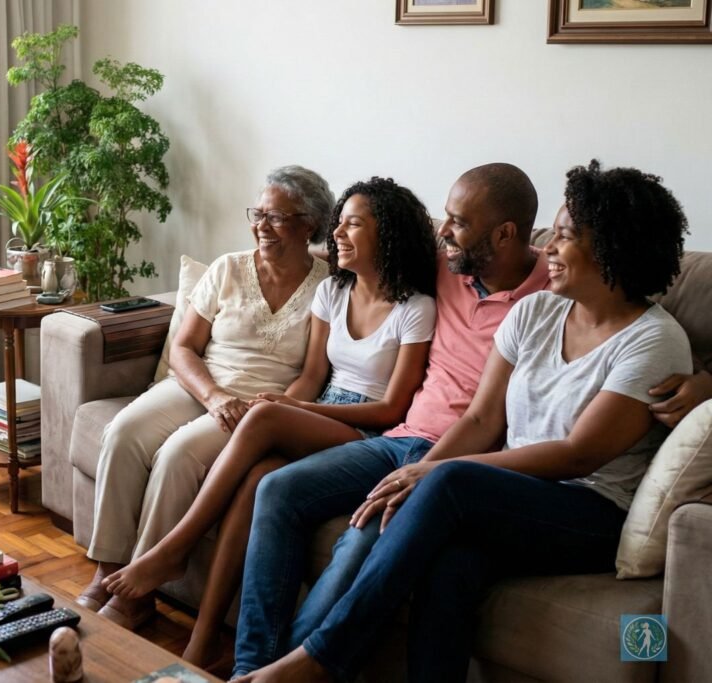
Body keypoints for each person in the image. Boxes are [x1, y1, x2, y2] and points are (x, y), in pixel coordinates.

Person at [235, 160, 694, 682]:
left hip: (590, 509)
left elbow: (580, 454)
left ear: (614, 248)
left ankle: (319, 659)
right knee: (451, 565)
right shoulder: (536, 312)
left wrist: (435, 473)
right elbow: (480, 416)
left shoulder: (653, 341)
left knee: (452, 480)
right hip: (508, 491)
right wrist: (414, 474)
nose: (550, 249)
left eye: (565, 237)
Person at [101, 178, 439, 665]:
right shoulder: (333, 291)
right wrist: (291, 405)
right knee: (257, 483)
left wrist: (297, 410)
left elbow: (391, 411)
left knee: (262, 417)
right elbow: (315, 375)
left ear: (387, 235)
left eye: (352, 224)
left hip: (368, 429)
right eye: (338, 222)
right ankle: (206, 641)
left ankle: (176, 545)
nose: (337, 234)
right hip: (319, 411)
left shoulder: (415, 309)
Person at [231, 161, 549, 677]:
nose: (444, 231)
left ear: (505, 235)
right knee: (277, 490)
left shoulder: (554, 293)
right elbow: (385, 227)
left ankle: (285, 671)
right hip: (398, 438)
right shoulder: (450, 263)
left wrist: (701, 382)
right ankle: (251, 665)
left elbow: (637, 325)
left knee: (361, 535)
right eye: (445, 218)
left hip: (460, 460)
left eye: (458, 222)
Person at [77, 166, 335, 629]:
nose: (261, 226)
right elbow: (182, 348)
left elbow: (313, 374)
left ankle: (144, 583)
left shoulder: (328, 286)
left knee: (177, 455)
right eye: (258, 214)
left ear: (309, 224)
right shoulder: (228, 268)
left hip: (259, 407)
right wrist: (213, 395)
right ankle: (109, 570)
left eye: (276, 217)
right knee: (124, 432)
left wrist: (276, 409)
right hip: (201, 385)